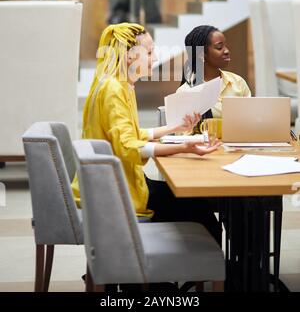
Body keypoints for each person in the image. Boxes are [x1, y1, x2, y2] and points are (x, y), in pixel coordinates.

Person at [72, 23, 221, 243]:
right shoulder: (114, 89)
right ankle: (203, 270)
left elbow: (130, 134)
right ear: (129, 56)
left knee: (193, 202)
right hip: (116, 193)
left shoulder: (119, 84)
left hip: (116, 184)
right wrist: (182, 146)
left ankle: (189, 271)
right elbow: (127, 147)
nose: (155, 56)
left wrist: (175, 128)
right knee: (198, 207)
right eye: (149, 52)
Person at [178, 25, 251, 130]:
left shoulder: (238, 82)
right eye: (219, 47)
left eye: (225, 46)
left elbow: (251, 120)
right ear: (201, 54)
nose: (226, 51)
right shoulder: (185, 92)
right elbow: (182, 136)